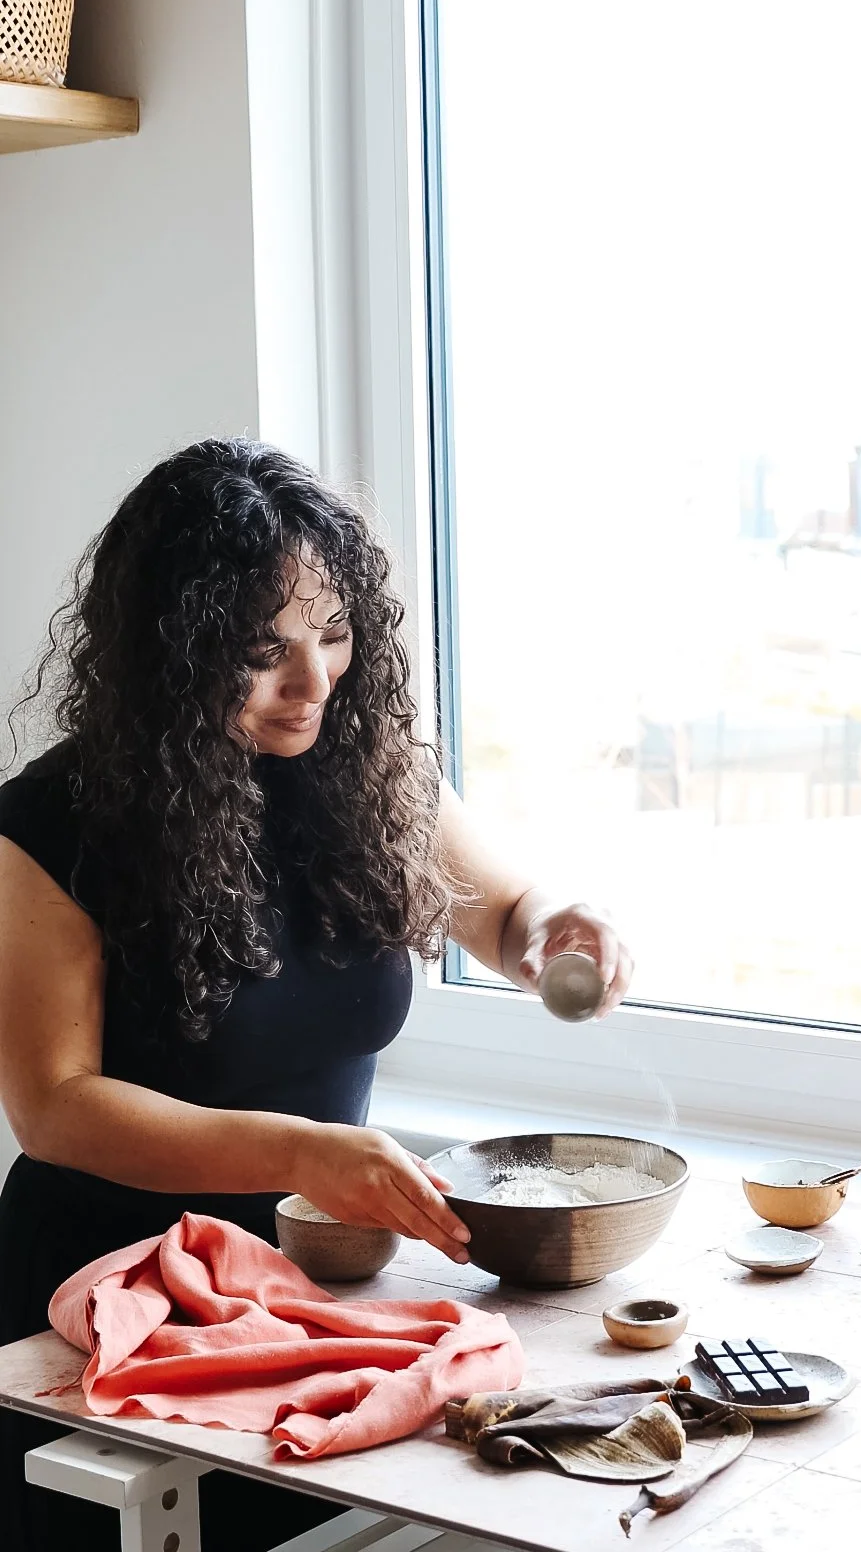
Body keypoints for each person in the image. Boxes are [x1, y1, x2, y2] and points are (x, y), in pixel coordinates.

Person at [0, 439, 633, 1552]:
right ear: (170, 649)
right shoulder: (42, 832)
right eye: (263, 650)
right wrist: (304, 1152)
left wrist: (553, 928)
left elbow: (501, 909)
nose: (315, 681)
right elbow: (54, 1103)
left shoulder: (361, 764)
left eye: (333, 632)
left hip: (303, 1288)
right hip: (102, 1299)